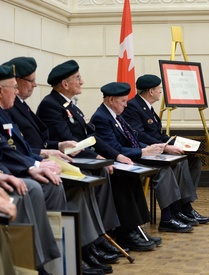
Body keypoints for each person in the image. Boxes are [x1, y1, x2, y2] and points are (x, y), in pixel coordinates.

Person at [36, 59, 160, 251]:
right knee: (117, 176)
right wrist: (97, 157)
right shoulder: (51, 105)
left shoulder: (70, 106)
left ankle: (123, 230)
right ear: (65, 84)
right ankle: (114, 233)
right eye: (77, 78)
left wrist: (116, 156)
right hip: (69, 160)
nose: (82, 81)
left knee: (124, 170)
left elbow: (91, 136)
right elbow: (69, 141)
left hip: (82, 157)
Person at [0, 63, 111, 275]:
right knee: (45, 186)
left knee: (87, 178)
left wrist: (46, 153)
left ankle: (84, 246)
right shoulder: (38, 106)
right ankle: (52, 259)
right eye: (15, 86)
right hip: (16, 170)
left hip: (29, 163)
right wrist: (35, 163)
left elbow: (20, 146)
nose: (31, 86)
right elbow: (9, 150)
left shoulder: (13, 109)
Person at [89, 82, 209, 236]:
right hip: (122, 160)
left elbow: (133, 137)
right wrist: (143, 151)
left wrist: (148, 149)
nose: (126, 105)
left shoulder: (115, 115)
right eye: (123, 101)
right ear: (111, 100)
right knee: (163, 169)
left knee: (176, 162)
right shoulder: (102, 117)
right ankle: (167, 217)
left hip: (132, 155)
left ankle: (179, 210)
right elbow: (115, 149)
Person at [122, 74, 209, 224]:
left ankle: (184, 205)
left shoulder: (147, 107)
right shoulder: (133, 106)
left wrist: (179, 143)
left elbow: (158, 134)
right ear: (151, 91)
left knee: (195, 161)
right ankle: (180, 210)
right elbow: (140, 135)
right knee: (180, 161)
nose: (160, 91)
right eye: (159, 89)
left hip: (158, 149)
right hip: (146, 152)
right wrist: (166, 147)